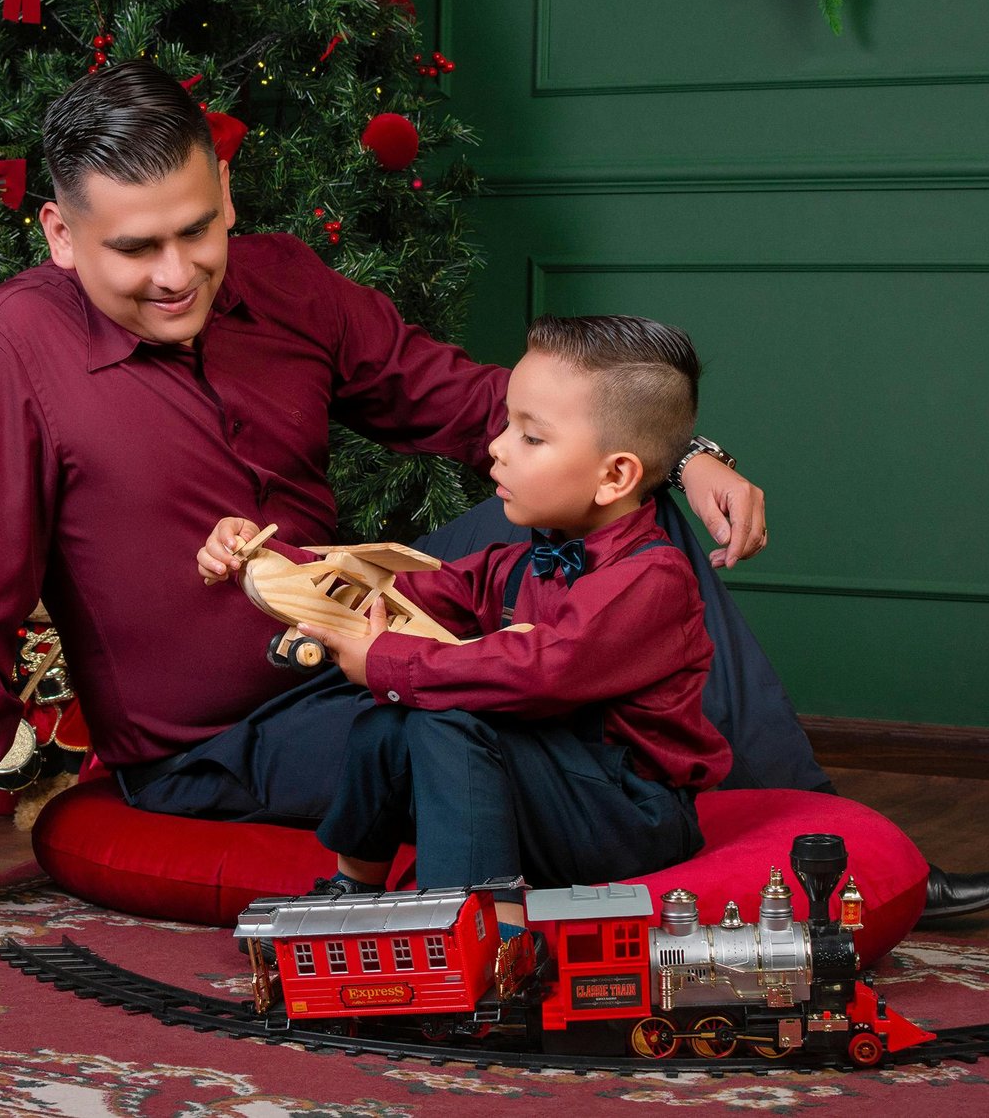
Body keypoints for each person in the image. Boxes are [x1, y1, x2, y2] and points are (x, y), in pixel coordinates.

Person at [0, 59, 989, 932]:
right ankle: (478, 936)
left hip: (379, 620)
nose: (178, 271)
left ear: (226, 193)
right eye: (135, 250)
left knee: (626, 510)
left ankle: (818, 850)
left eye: (198, 230)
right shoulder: (2, 352)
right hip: (224, 740)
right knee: (475, 711)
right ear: (58, 235)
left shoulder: (284, 282)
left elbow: (466, 402)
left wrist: (683, 450)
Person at [202, 315, 729, 931]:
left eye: (531, 438)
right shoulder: (518, 562)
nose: (497, 448)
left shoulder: (651, 580)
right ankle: (355, 887)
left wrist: (387, 661)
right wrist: (269, 558)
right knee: (390, 713)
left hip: (626, 816)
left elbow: (543, 670)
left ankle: (482, 927)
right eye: (507, 424)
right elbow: (412, 588)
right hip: (547, 800)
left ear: (615, 476)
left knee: (444, 716)